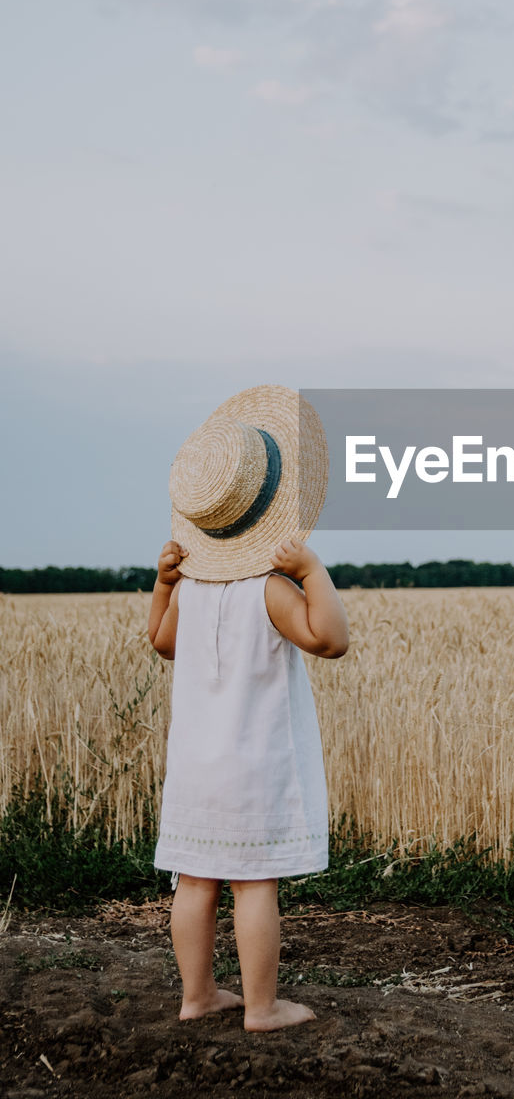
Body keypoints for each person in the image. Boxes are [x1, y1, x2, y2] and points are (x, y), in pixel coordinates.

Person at [147, 386, 348, 1032]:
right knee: (253, 884)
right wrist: (312, 572)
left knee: (195, 880)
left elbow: (161, 643)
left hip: (196, 764)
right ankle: (261, 1007)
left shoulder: (194, 592)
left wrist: (163, 583)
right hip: (253, 760)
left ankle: (196, 996)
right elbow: (330, 641)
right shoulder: (269, 590)